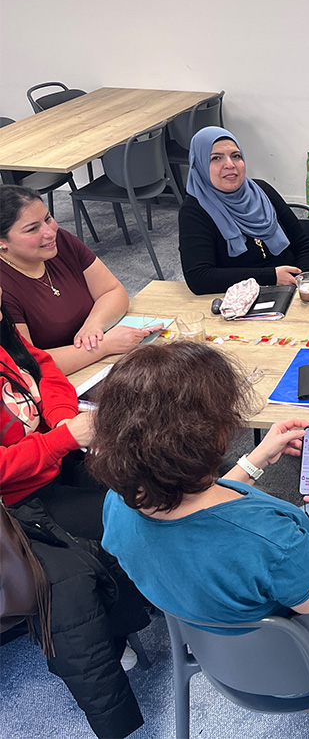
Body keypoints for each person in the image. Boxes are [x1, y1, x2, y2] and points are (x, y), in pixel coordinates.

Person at [88, 341, 309, 710]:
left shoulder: (119, 501)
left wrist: (257, 459)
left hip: (219, 651)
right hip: (307, 660)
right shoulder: (266, 537)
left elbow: (199, 503)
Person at [0, 281, 149, 738]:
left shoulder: (5, 334)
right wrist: (64, 438)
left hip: (50, 466)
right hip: (15, 504)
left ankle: (141, 609)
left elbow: (43, 368)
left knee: (145, 481)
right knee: (73, 580)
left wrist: (64, 419)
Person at [0, 185, 155, 374]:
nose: (50, 232)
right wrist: (102, 346)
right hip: (59, 380)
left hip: (94, 363)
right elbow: (28, 364)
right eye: (33, 229)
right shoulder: (4, 287)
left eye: (48, 218)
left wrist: (93, 326)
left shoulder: (59, 241)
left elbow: (112, 290)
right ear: (2, 242)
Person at [179, 126, 309, 295]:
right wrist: (270, 277)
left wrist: (302, 283)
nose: (230, 164)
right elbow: (199, 278)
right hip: (243, 301)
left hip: (296, 290)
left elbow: (304, 245)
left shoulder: (261, 191)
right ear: (200, 165)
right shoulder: (194, 211)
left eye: (236, 156)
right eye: (216, 158)